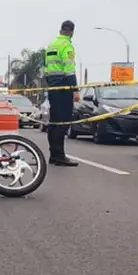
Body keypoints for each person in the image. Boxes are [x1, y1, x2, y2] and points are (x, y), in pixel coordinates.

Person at [43, 20, 80, 166]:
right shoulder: (67, 45)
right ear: (71, 32)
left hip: (52, 86)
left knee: (54, 121)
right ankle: (59, 155)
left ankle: (54, 154)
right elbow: (69, 70)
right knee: (63, 121)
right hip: (64, 86)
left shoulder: (51, 45)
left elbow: (46, 69)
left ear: (60, 31)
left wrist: (50, 84)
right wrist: (75, 90)